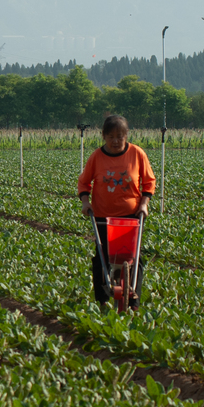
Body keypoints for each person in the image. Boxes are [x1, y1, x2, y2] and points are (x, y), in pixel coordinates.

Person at [77, 114, 155, 310]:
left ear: (126, 135)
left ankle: (134, 302)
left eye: (120, 136)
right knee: (101, 257)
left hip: (131, 217)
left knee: (134, 257)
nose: (115, 141)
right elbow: (84, 182)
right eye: (111, 136)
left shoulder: (137, 154)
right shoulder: (96, 157)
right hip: (103, 218)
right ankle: (102, 300)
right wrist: (86, 203)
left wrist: (144, 204)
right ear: (103, 136)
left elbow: (149, 182)